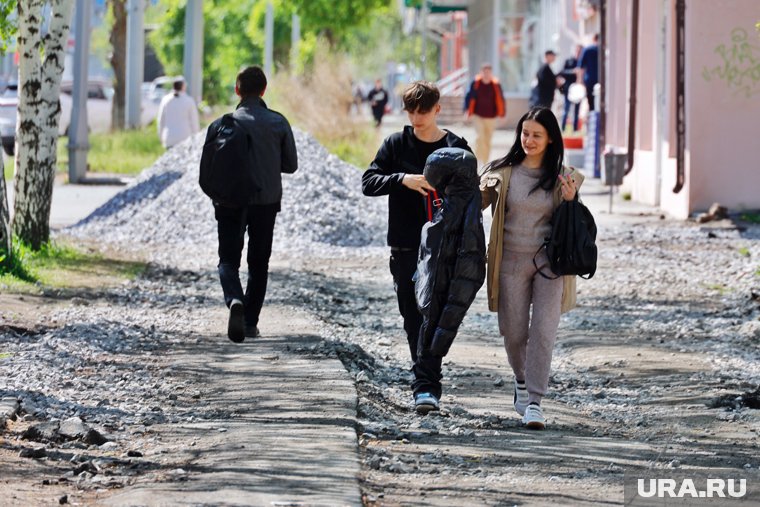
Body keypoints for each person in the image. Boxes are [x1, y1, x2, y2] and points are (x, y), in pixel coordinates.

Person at [362, 81, 472, 414]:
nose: (416, 117)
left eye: (423, 110)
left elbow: (471, 194)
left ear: (437, 109)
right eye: (411, 110)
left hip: (446, 248)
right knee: (414, 317)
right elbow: (368, 181)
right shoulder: (396, 143)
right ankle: (425, 384)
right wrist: (402, 179)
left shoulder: (457, 145)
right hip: (406, 246)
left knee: (436, 315)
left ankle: (426, 385)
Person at [479, 107, 584, 430]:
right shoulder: (503, 172)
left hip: (550, 265)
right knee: (513, 332)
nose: (529, 140)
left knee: (543, 331)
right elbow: (473, 203)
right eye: (525, 134)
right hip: (510, 260)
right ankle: (521, 381)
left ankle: (535, 402)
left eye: (537, 135)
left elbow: (575, 223)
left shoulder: (565, 176)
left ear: (551, 138)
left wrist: (570, 199)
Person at [211, 66, 298, 343]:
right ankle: (249, 323)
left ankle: (234, 299)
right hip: (266, 201)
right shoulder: (278, 122)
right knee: (259, 262)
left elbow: (210, 167)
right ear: (263, 90)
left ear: (237, 90)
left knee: (227, 259)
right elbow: (291, 165)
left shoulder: (222, 124)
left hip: (229, 202)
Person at [415, 147, 486, 362]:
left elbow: (465, 276)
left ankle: (427, 378)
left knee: (429, 336)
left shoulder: (459, 213)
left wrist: (441, 338)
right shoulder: (461, 206)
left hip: (439, 295)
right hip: (436, 293)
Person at [464, 63, 506, 166]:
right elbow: (468, 97)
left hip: (491, 117)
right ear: (481, 72)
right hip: (478, 115)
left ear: (491, 73)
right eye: (484, 72)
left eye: (488, 72)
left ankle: (485, 162)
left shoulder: (495, 85)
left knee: (487, 141)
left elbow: (501, 99)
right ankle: (478, 161)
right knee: (479, 138)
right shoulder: (476, 83)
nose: (486, 74)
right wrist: (466, 111)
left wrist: (502, 114)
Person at [157, 78, 200, 149]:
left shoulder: (165, 100)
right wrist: (196, 138)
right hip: (185, 138)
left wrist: (161, 137)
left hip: (169, 138)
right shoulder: (189, 101)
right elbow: (194, 122)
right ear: (183, 87)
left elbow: (161, 120)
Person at [560, 45, 583, 132]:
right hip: (568, 89)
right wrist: (573, 71)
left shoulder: (582, 62)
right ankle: (563, 129)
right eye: (577, 51)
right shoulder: (568, 61)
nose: (578, 53)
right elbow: (562, 72)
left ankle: (575, 129)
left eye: (580, 51)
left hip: (578, 89)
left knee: (577, 111)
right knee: (566, 109)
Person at [576, 34, 600, 112]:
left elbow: (581, 67)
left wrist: (580, 80)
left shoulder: (587, 50)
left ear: (593, 39)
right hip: (601, 79)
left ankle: (593, 118)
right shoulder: (602, 49)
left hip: (589, 79)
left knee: (591, 101)